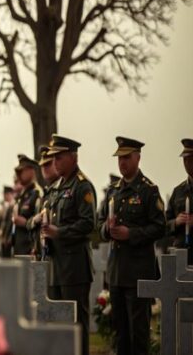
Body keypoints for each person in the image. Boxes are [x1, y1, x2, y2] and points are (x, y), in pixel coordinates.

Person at [97, 137, 165, 355]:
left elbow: (159, 227)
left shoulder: (148, 190)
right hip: (117, 273)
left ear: (138, 157)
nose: (122, 162)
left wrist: (131, 234)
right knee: (121, 334)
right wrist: (107, 229)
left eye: (126, 157)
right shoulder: (113, 191)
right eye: (119, 158)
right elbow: (99, 224)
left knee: (138, 335)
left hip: (138, 273)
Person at [43, 134, 96, 355]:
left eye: (60, 157)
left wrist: (59, 232)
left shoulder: (82, 187)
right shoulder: (56, 187)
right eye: (54, 158)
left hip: (75, 267)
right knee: (58, 323)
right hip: (56, 264)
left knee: (76, 324)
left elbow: (87, 224)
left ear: (73, 157)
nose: (55, 162)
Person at [10, 154, 43, 256]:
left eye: (21, 171)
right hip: (19, 249)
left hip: (30, 250)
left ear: (31, 171)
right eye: (17, 172)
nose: (18, 175)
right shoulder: (23, 195)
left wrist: (25, 223)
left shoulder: (37, 193)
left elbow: (41, 222)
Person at [168, 138, 193, 264]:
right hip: (181, 256)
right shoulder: (178, 191)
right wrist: (176, 222)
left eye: (190, 158)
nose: (187, 162)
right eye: (185, 159)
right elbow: (163, 224)